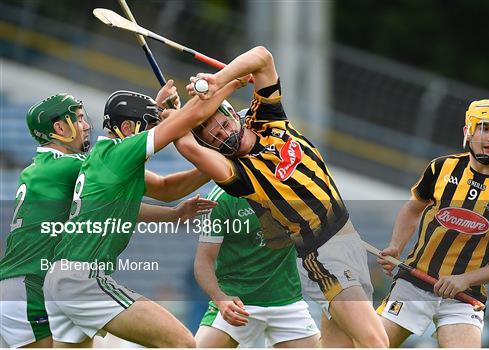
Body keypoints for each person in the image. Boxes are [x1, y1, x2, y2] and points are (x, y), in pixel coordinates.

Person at [175, 46, 389, 347]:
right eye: (214, 137)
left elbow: (262, 57)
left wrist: (218, 81)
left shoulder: (268, 119)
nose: (222, 135)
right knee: (375, 342)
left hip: (348, 239)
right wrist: (177, 113)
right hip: (323, 255)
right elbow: (188, 147)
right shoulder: (240, 175)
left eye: (222, 125)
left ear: (233, 114)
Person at [42, 80, 237, 348]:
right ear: (126, 129)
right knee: (183, 343)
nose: (155, 134)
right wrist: (224, 86)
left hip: (60, 280)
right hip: (83, 280)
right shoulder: (117, 156)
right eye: (149, 127)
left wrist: (221, 164)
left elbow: (168, 189)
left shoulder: (109, 161)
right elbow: (187, 120)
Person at [376, 99, 489, 347]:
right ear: (468, 132)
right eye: (484, 128)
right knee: (369, 345)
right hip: (414, 283)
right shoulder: (441, 168)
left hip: (464, 297)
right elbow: (412, 209)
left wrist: (466, 279)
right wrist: (396, 246)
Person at [0, 93, 91, 348]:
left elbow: (116, 204)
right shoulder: (67, 167)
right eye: (79, 119)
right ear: (60, 128)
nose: (85, 126)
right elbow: (154, 185)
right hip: (29, 285)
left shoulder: (40, 167)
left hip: (22, 285)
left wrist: (173, 214)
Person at [195, 185, 320, 348]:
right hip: (237, 306)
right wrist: (221, 300)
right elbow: (203, 262)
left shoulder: (290, 188)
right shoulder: (221, 199)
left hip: (288, 305)